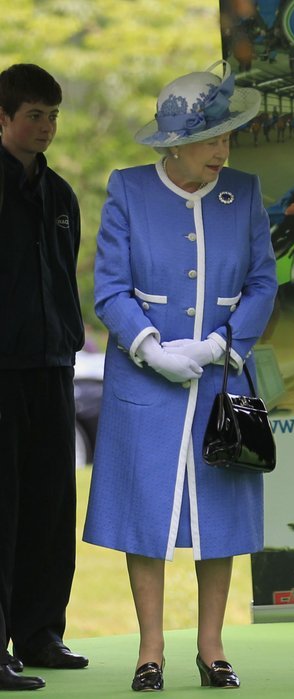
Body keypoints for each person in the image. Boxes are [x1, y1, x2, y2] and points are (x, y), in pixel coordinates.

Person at [82, 61, 277, 692]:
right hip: (145, 383)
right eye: (211, 140)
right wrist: (151, 348)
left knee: (219, 516)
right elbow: (110, 289)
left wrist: (223, 344)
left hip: (223, 382)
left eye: (227, 138)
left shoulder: (244, 191)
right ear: (174, 144)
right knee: (146, 513)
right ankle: (150, 651)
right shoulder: (129, 189)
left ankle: (212, 647)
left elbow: (263, 283)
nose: (223, 151)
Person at [0, 63, 87, 692]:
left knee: (50, 508)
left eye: (53, 115)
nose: (46, 127)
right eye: (34, 115)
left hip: (54, 365)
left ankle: (38, 634)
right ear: (3, 117)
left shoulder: (61, 196)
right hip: (1, 370)